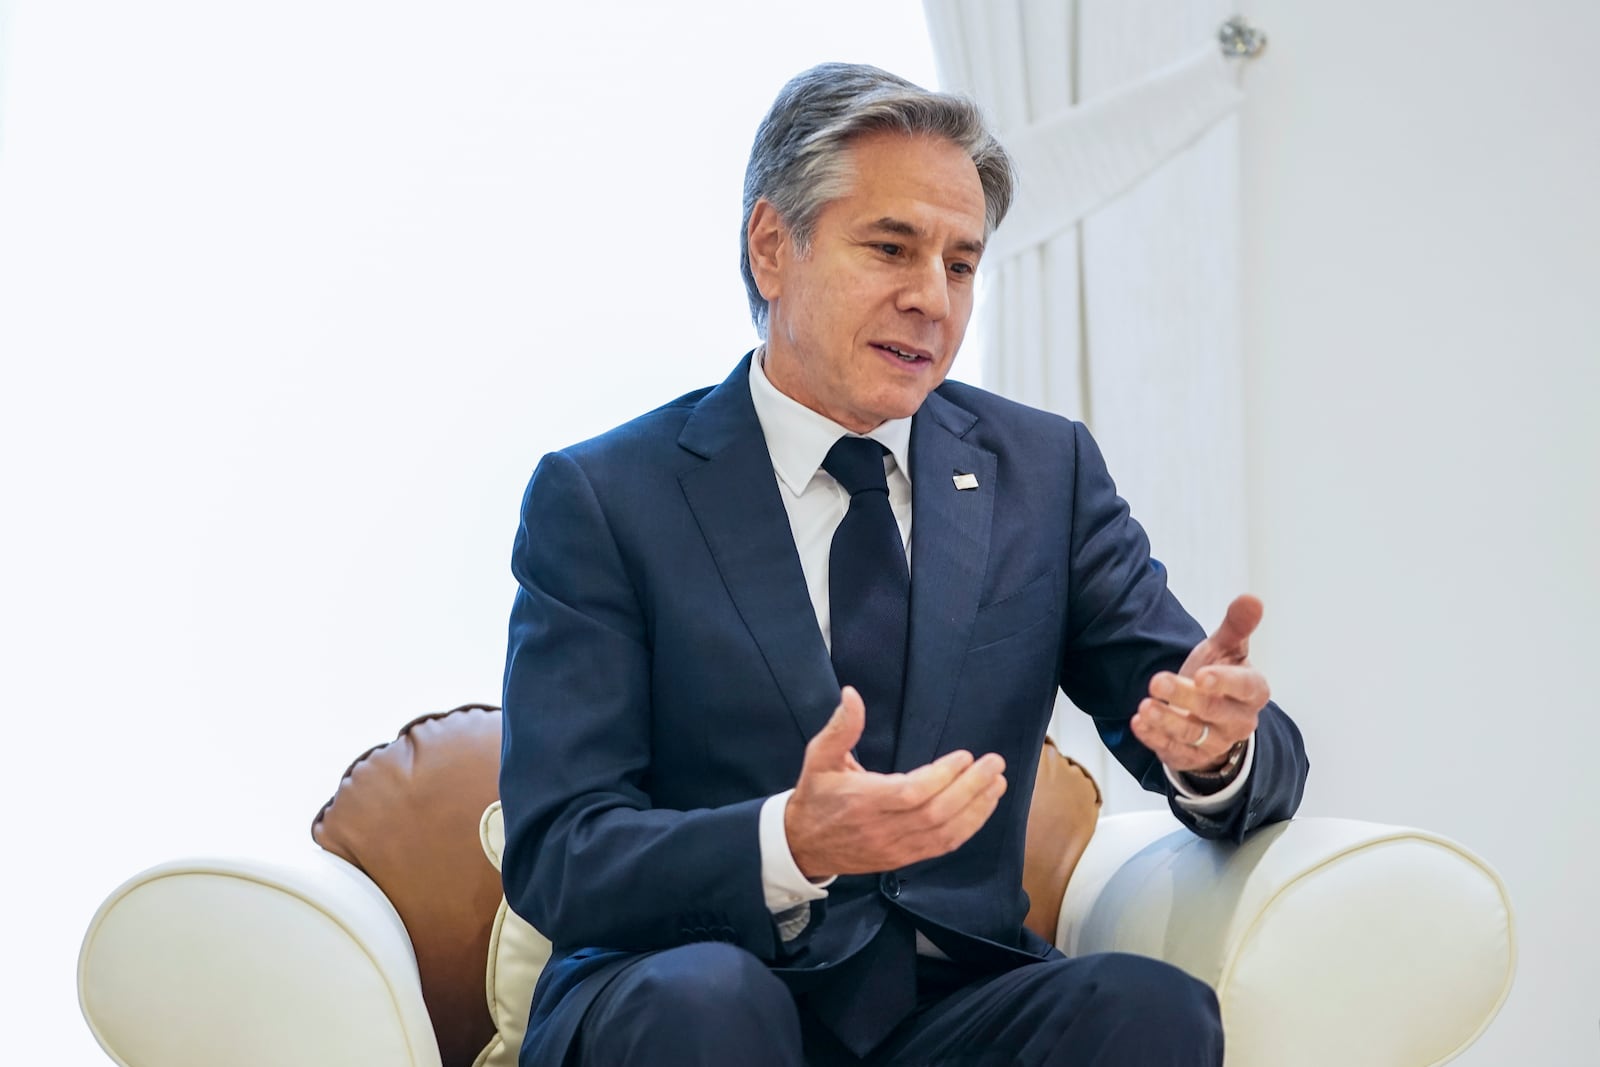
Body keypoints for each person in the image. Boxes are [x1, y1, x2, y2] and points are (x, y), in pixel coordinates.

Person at [499, 62, 1309, 1067]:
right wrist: (788, 841)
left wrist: (1212, 748)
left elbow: (1198, 711)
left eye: (961, 264)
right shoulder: (607, 496)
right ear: (771, 249)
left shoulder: (1040, 473)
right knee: (709, 1003)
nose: (931, 298)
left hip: (948, 1002)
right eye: (890, 247)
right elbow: (559, 853)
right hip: (687, 988)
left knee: (1150, 1008)